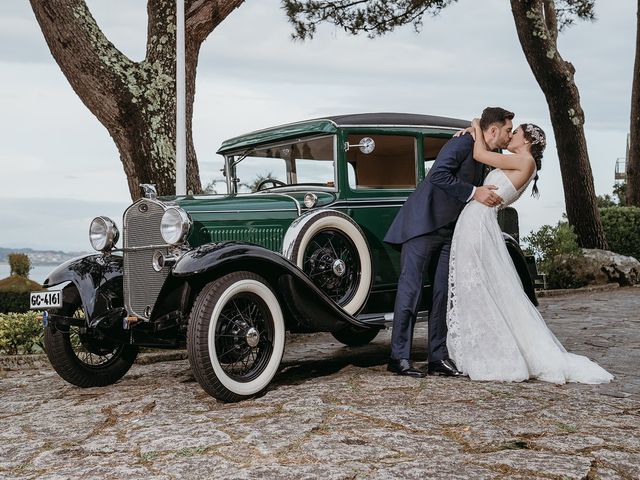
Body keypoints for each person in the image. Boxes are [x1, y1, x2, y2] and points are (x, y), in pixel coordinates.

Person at [447, 118, 613, 384]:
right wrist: (474, 133)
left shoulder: (526, 162)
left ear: (526, 140)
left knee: (476, 284)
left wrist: (476, 124)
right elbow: (483, 152)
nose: (510, 135)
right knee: (479, 284)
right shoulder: (518, 161)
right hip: (476, 221)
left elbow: (480, 153)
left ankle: (492, 353)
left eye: (515, 133)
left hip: (478, 222)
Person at [384, 107, 514, 377]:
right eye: (508, 130)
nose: (509, 135)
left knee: (443, 294)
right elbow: (438, 175)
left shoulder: (484, 151)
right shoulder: (461, 142)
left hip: (449, 233)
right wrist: (473, 192)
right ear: (494, 130)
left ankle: (437, 358)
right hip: (423, 226)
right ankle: (398, 358)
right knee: (411, 292)